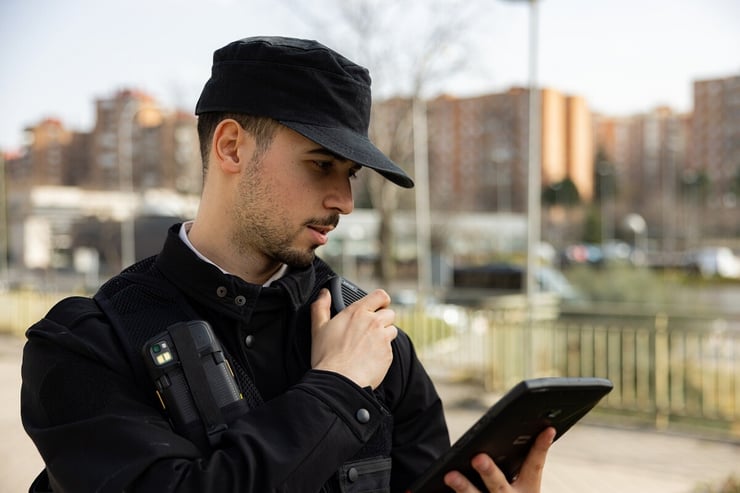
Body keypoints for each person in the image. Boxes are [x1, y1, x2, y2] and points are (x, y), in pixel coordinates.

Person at [21, 36, 554, 493]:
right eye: (321, 165)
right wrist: (337, 389)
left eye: (351, 175)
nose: (344, 201)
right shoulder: (89, 344)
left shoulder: (370, 335)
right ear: (231, 148)